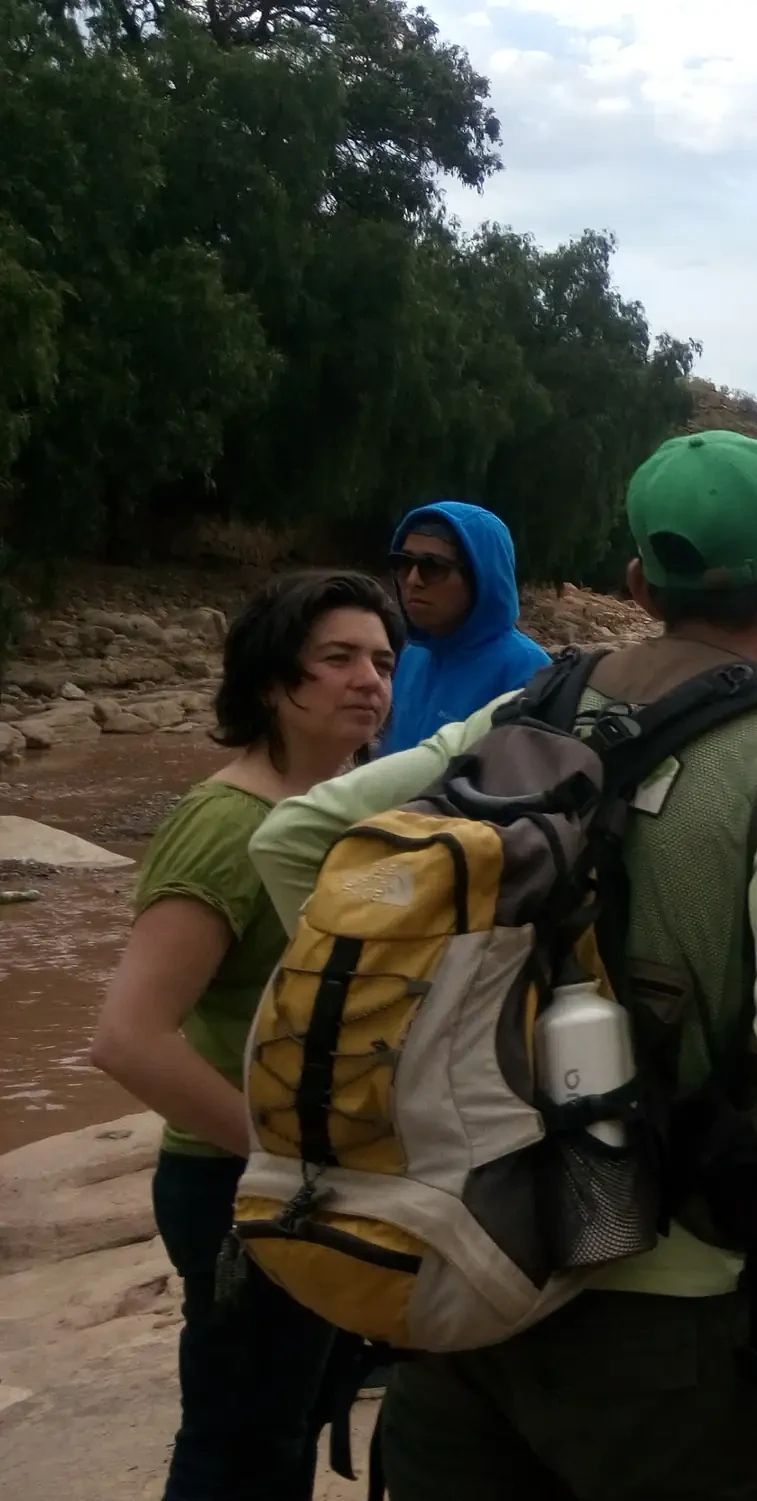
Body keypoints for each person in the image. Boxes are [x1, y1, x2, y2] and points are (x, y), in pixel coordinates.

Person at [248, 430, 757, 1501]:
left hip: (464, 1260)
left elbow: (294, 838)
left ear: (638, 585)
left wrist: (425, 1029)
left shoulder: (531, 704)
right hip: (656, 1306)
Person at [89, 570, 403, 1501]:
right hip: (238, 1187)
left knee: (288, 1425)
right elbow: (129, 1037)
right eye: (338, 657)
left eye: (383, 661)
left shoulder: (340, 814)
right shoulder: (227, 825)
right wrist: (282, 1159)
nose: (369, 680)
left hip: (311, 1182)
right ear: (270, 681)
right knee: (236, 1446)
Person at [382, 500, 550, 752]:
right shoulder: (413, 656)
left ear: (480, 576)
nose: (413, 580)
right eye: (403, 563)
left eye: (432, 567)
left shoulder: (527, 671)